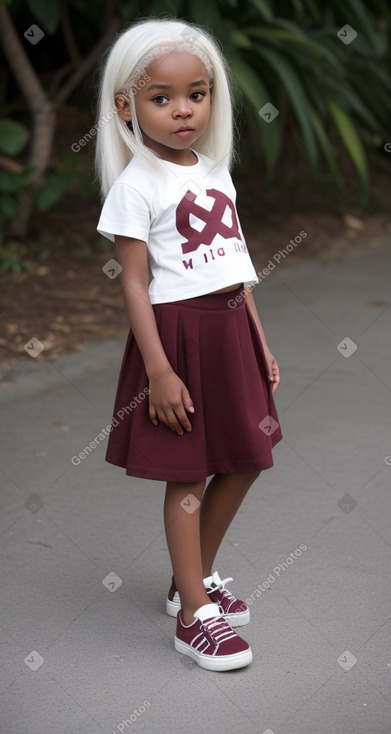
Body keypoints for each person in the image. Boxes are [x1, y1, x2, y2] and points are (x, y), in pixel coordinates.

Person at [96, 16, 283, 672]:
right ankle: (192, 617)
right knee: (187, 471)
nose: (183, 110)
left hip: (230, 329)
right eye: (161, 97)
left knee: (246, 456)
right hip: (176, 337)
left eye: (196, 94)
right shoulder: (135, 185)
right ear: (126, 106)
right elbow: (135, 284)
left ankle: (192, 578)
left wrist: (258, 343)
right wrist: (158, 370)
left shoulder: (215, 172)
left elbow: (236, 264)